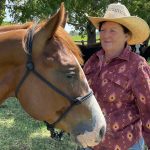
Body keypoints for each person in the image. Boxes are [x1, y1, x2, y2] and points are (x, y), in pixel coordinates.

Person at [83, 3, 150, 150]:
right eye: (103, 30)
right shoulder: (92, 61)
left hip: (125, 144)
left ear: (126, 35)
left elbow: (148, 109)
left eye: (112, 30)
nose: (106, 35)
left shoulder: (137, 66)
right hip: (91, 143)